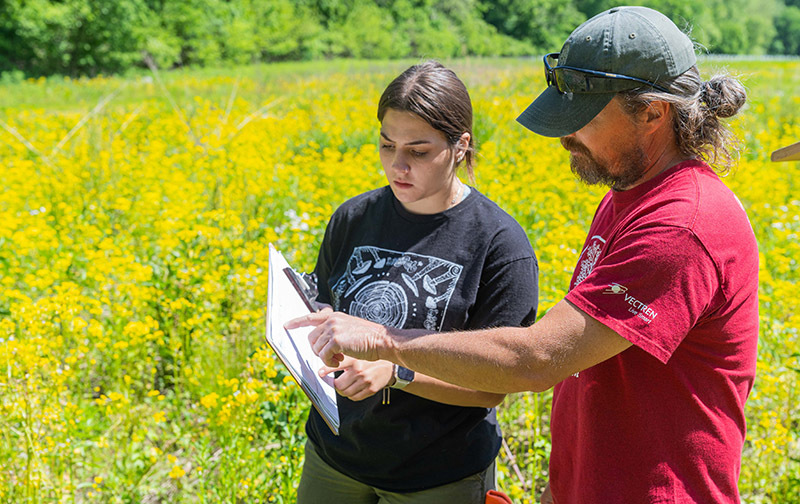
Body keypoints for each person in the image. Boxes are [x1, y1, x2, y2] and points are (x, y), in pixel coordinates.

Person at [288, 6, 758, 504]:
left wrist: (387, 343)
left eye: (583, 119)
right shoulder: (629, 196)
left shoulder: (680, 225)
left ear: (652, 112)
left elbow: (537, 359)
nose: (564, 137)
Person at [295, 60, 539, 503]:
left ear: (460, 145)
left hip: (438, 476)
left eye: (419, 151)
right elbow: (328, 305)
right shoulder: (353, 217)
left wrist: (397, 372)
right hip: (334, 456)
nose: (397, 165)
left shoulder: (500, 244)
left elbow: (495, 383)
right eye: (387, 146)